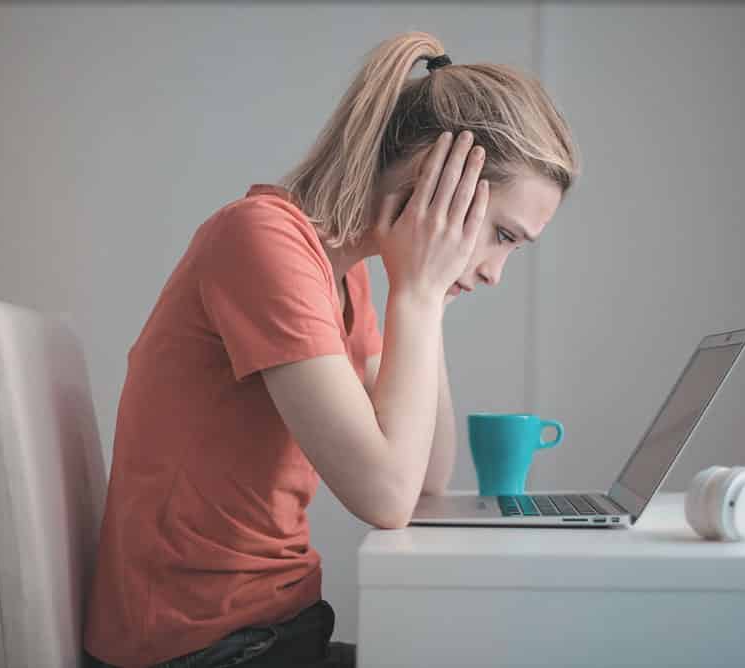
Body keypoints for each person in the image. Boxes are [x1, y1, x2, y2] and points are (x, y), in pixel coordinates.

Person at [82, 30, 579, 668]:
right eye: (503, 235)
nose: (496, 272)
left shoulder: (343, 275)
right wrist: (419, 297)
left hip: (275, 630)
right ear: (436, 176)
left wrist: (428, 296)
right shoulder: (261, 242)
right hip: (201, 647)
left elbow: (426, 475)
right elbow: (386, 498)